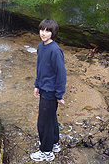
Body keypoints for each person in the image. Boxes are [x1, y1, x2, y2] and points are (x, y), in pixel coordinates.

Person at [30, 18, 67, 162]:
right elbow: (40, 69)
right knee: (51, 118)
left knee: (43, 122)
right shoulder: (41, 46)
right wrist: (36, 85)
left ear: (53, 32)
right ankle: (54, 143)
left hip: (50, 92)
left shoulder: (55, 51)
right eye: (41, 30)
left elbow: (61, 74)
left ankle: (46, 152)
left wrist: (59, 94)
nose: (43, 33)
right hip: (43, 88)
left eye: (47, 31)